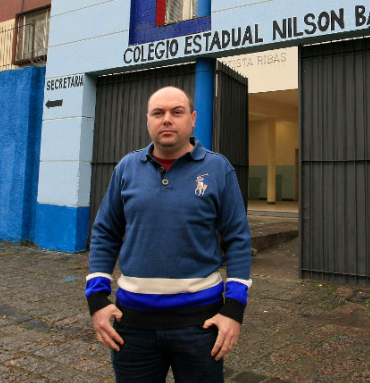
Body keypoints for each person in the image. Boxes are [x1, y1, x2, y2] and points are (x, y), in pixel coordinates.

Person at [85, 85, 252, 382]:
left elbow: (238, 239)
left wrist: (234, 309)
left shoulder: (217, 168)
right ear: (148, 120)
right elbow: (105, 232)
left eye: (177, 112)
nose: (166, 119)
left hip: (201, 325)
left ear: (193, 119)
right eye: (158, 113)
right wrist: (97, 301)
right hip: (132, 326)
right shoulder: (126, 168)